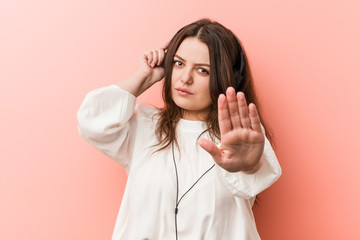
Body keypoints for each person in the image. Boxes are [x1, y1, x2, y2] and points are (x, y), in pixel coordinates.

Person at [77, 18, 281, 240]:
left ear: (228, 77)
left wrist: (249, 165)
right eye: (178, 63)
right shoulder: (144, 124)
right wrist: (144, 78)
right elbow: (91, 120)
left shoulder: (241, 132)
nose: (185, 78)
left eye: (202, 70)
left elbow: (252, 182)